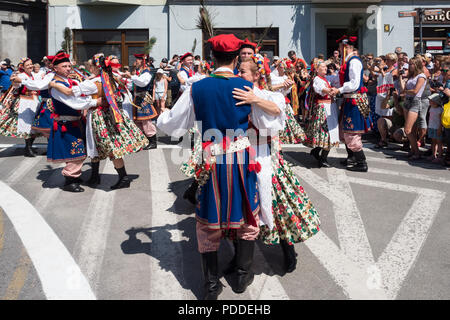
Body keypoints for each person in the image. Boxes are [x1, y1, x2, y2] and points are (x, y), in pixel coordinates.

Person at [157, 33, 281, 300]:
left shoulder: (196, 87)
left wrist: (161, 113)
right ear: (236, 58)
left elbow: (172, 126)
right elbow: (270, 123)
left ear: (212, 58)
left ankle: (211, 285)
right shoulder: (244, 86)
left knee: (208, 220)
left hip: (211, 159)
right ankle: (240, 276)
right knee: (248, 215)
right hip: (241, 160)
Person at [237, 56, 320, 273]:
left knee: (278, 204)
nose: (239, 74)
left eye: (244, 71)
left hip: (266, 156)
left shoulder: (268, 95)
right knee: (242, 207)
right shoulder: (235, 92)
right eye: (238, 69)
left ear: (256, 75)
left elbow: (276, 110)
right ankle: (241, 258)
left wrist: (253, 99)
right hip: (241, 157)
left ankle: (287, 247)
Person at [52, 53, 148, 189]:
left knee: (105, 146)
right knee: (102, 146)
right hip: (111, 114)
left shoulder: (93, 83)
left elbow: (70, 92)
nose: (89, 68)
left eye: (91, 66)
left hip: (99, 115)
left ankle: (120, 177)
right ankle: (97, 176)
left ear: (95, 68)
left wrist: (53, 85)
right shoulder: (111, 78)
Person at [45, 52, 100, 192]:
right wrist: (95, 101)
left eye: (69, 66)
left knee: (78, 151)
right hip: (66, 123)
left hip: (76, 121)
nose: (69, 68)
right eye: (64, 66)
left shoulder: (69, 81)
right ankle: (70, 180)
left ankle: (74, 177)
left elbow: (87, 90)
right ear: (55, 68)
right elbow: (74, 103)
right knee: (75, 152)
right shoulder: (56, 85)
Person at [331, 35, 370, 172]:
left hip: (354, 100)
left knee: (352, 132)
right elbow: (339, 79)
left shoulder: (354, 62)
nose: (339, 50)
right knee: (345, 129)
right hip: (348, 99)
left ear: (346, 47)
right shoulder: (348, 61)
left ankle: (362, 163)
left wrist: (338, 90)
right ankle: (352, 157)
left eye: (341, 48)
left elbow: (353, 83)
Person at [1, 57, 41, 157]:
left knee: (34, 126)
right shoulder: (21, 75)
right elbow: (16, 85)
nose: (30, 66)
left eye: (31, 64)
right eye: (28, 65)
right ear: (23, 67)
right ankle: (28, 149)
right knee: (27, 126)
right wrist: (15, 80)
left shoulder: (34, 75)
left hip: (35, 101)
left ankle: (29, 147)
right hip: (25, 102)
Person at [305, 61, 340, 167]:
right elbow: (320, 89)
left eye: (326, 66)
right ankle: (323, 158)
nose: (325, 68)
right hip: (323, 109)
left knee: (329, 133)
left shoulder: (326, 79)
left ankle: (317, 152)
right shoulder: (317, 79)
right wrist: (330, 91)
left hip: (330, 107)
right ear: (317, 69)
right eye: (323, 67)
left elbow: (337, 79)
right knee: (326, 133)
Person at [123, 53, 158, 149]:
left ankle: (152, 142)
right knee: (138, 121)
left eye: (137, 60)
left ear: (142, 61)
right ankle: (144, 141)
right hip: (138, 98)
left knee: (146, 120)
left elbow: (143, 83)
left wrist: (131, 77)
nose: (135, 62)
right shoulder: (140, 72)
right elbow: (134, 84)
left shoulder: (147, 71)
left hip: (143, 99)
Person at [399, 57, 428, 160]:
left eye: (411, 64)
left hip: (415, 102)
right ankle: (413, 150)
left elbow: (415, 91)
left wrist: (405, 92)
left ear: (416, 65)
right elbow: (403, 89)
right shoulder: (411, 76)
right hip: (407, 101)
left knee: (407, 129)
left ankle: (417, 152)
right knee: (412, 130)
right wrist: (401, 78)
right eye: (409, 64)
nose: (410, 66)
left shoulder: (421, 76)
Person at [373, 53, 398, 148]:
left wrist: (381, 70)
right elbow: (372, 71)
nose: (385, 61)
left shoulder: (395, 70)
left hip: (390, 95)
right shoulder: (384, 68)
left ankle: (390, 136)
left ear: (393, 61)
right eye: (385, 59)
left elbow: (389, 77)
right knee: (382, 116)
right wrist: (374, 64)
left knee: (390, 116)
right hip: (381, 94)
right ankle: (384, 138)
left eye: (387, 59)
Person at [427, 93, 444, 163]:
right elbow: (430, 118)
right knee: (433, 142)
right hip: (431, 126)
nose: (429, 101)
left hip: (437, 128)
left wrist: (440, 128)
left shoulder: (440, 109)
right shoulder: (431, 108)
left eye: (431, 100)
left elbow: (441, 120)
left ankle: (440, 156)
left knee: (439, 142)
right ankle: (433, 155)